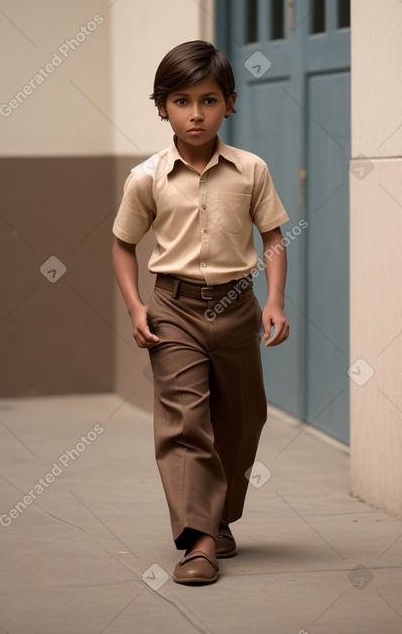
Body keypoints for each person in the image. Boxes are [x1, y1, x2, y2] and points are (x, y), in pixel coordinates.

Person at [112, 40, 290, 586]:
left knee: (243, 419)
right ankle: (198, 541)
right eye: (182, 101)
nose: (196, 114)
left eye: (209, 100)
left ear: (230, 104)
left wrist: (275, 301)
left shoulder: (251, 170)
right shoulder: (146, 177)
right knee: (187, 424)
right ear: (162, 106)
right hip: (174, 310)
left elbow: (274, 239)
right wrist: (137, 307)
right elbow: (123, 245)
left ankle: (218, 516)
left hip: (237, 308)